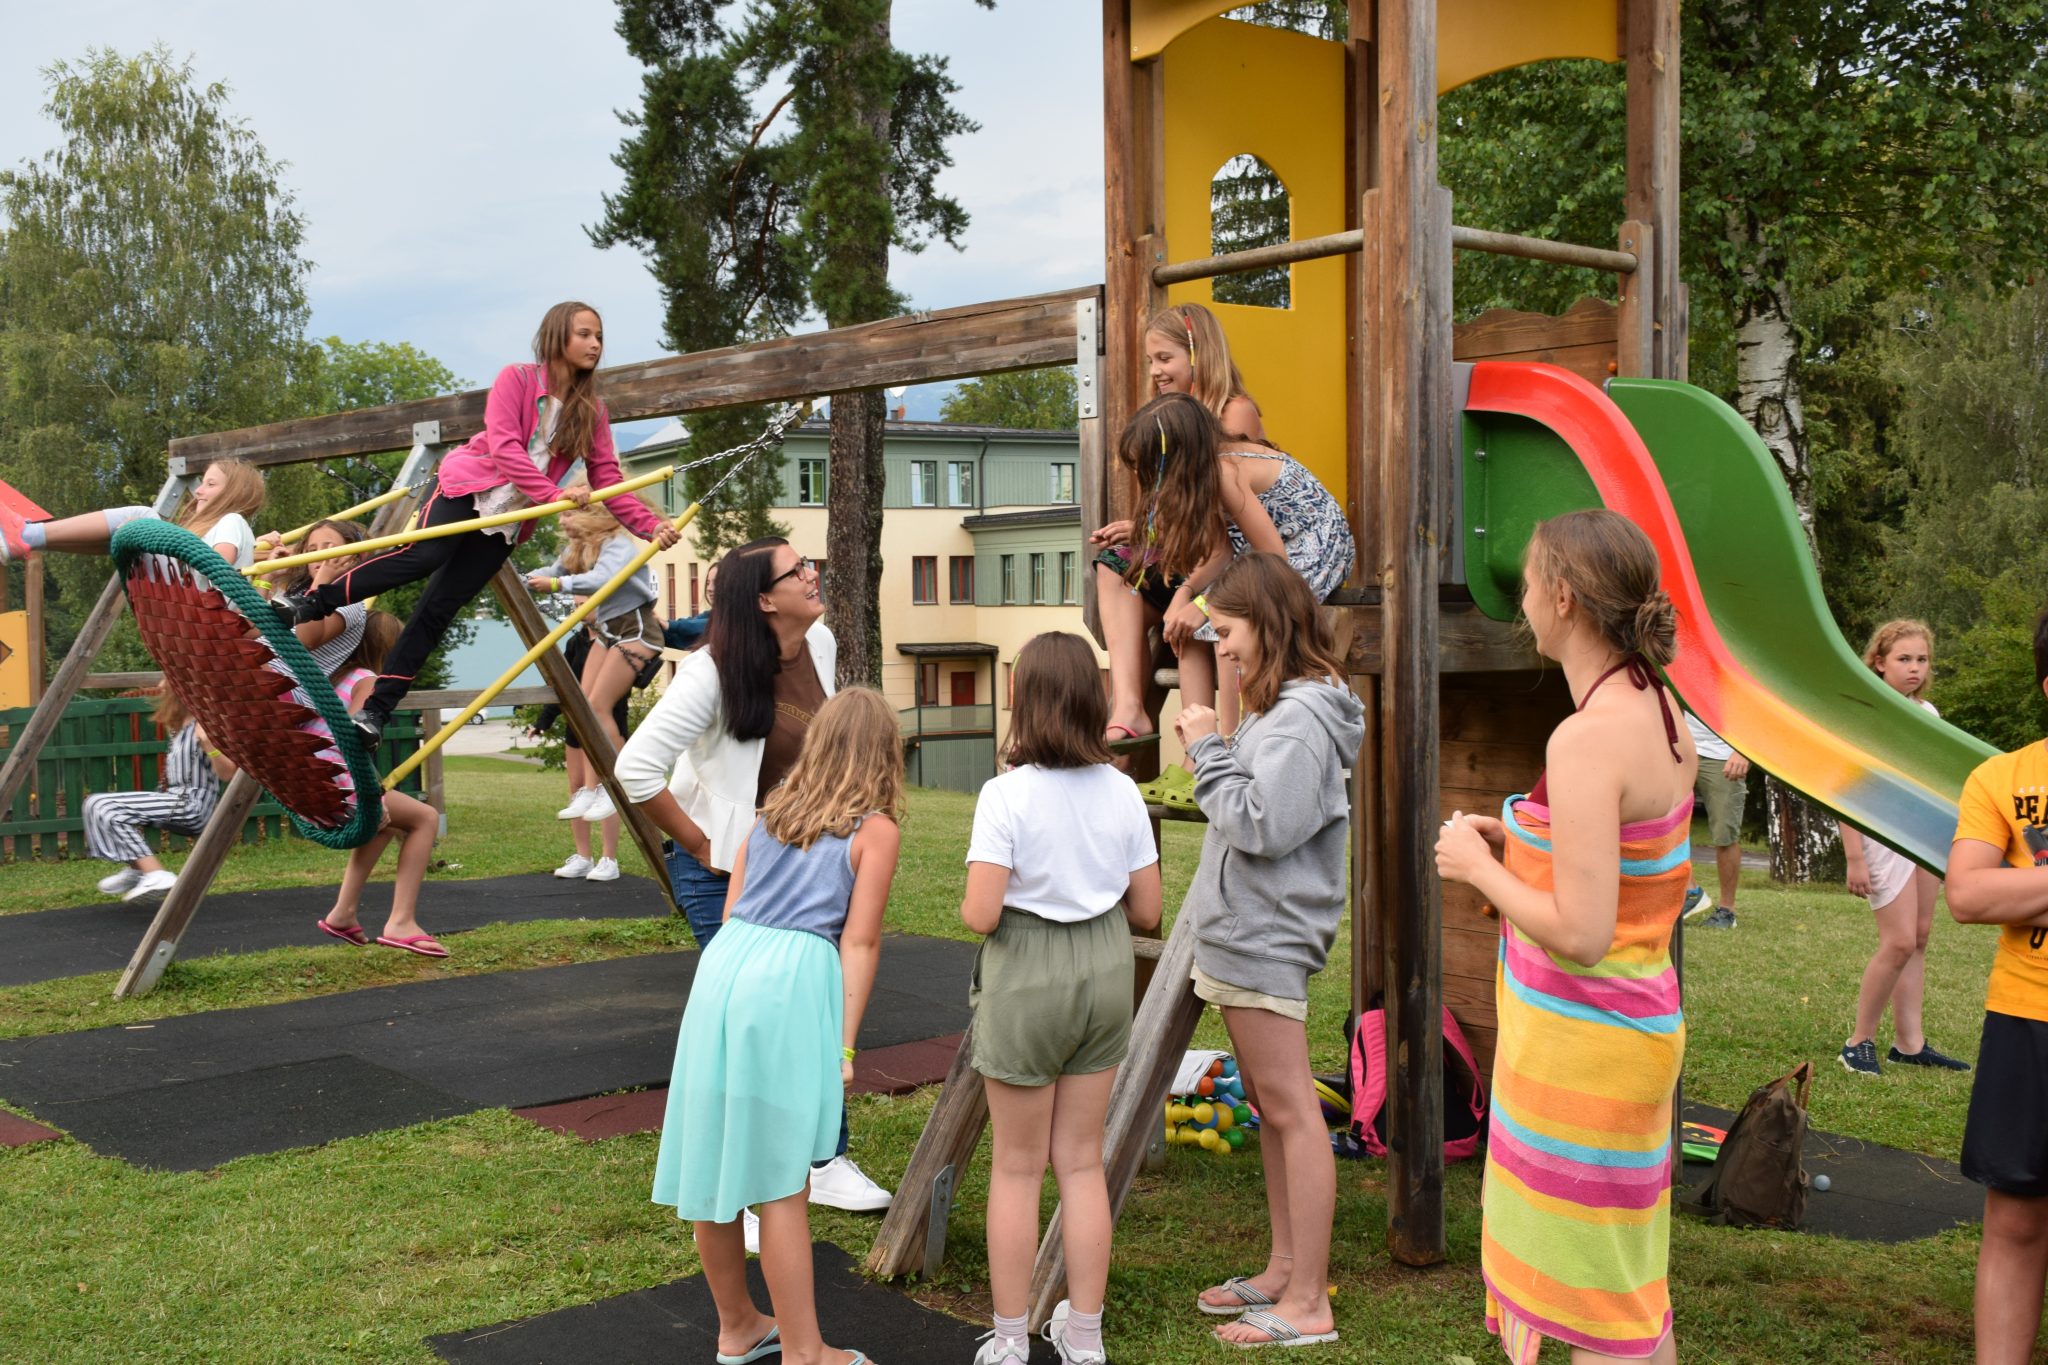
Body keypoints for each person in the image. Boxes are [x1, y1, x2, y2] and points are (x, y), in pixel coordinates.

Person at [1434, 508, 1691, 1365]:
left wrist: (1478, 866)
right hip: (1637, 1034)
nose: (1523, 599)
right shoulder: (1661, 708)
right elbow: (1634, 862)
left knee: (1591, 1307)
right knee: (1625, 1290)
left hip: (1586, 1054)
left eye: (1531, 581)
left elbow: (1582, 932)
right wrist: (1529, 843)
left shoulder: (1585, 738)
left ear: (1567, 598)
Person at [617, 536, 894, 1217]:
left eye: (809, 562)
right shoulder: (711, 671)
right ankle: (744, 1188)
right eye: (797, 569)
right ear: (765, 599)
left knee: (817, 997)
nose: (813, 572)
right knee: (749, 1022)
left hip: (808, 856)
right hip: (726, 869)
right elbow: (634, 769)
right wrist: (703, 842)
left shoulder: (819, 644)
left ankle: (823, 1157)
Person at [270, 301, 679, 742]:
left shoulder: (591, 410)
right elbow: (505, 448)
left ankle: (375, 711)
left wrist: (648, 526)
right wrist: (555, 495)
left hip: (512, 515)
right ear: (558, 335)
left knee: (438, 610)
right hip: (468, 487)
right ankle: (314, 603)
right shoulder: (518, 379)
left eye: (599, 336)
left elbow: (607, 478)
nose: (595, 344)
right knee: (424, 554)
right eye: (584, 334)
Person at [650, 688, 902, 1365]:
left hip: (725, 970)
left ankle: (737, 1324)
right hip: (789, 980)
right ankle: (805, 1350)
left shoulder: (767, 815)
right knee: (782, 1175)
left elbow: (733, 909)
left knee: (716, 1155)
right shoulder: (873, 829)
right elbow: (861, 941)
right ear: (884, 755)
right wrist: (843, 1043)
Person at [1173, 553, 1361, 1349]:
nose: (1223, 647)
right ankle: (1285, 1267)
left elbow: (1262, 823)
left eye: (1229, 630)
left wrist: (1206, 748)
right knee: (1275, 1108)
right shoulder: (1277, 707)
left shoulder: (1302, 718)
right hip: (1244, 931)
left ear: (1270, 622)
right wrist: (1221, 720)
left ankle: (1309, 1302)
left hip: (1267, 937)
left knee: (1291, 1109)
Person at [961, 632, 1163, 1365]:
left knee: (1017, 1165)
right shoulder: (1120, 789)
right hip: (1105, 971)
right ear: (1092, 698)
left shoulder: (1004, 794)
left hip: (1028, 967)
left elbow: (982, 913)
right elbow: (1148, 908)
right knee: (1081, 1162)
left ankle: (1011, 1338)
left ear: (1023, 699)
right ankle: (1085, 1335)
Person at [1090, 393, 1353, 787]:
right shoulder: (1204, 472)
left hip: (1308, 547)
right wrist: (1186, 595)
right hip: (1256, 551)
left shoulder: (1225, 472)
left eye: (1149, 467)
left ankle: (1231, 744)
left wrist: (1206, 604)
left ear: (1178, 457)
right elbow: (1219, 549)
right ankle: (1198, 756)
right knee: (1195, 621)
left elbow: (1273, 556)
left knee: (1222, 622)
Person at [1945, 605, 2048, 1365]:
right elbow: (1968, 896)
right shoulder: (2002, 777)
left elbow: (1997, 890)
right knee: (2014, 1222)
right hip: (2026, 1021)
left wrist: (2028, 884)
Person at [1837, 620, 1969, 1076]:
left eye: (1921, 659)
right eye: (1903, 659)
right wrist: (1853, 855)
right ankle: (1858, 1043)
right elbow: (1844, 787)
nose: (1914, 668)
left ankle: (1909, 1044)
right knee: (1897, 942)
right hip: (1878, 836)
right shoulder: (1864, 712)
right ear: (1879, 662)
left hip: (1921, 836)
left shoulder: (1927, 713)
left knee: (1920, 937)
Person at [526, 487, 663, 825]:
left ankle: (617, 785)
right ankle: (590, 788)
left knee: (601, 707)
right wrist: (525, 578)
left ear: (591, 513)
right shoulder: (582, 548)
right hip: (609, 632)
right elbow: (554, 570)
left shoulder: (617, 545)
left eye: (568, 513)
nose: (562, 519)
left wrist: (556, 586)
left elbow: (601, 581)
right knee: (585, 707)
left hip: (636, 631)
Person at [81, 685, 221, 903]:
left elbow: (229, 772)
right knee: (93, 805)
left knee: (103, 805)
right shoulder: (178, 727)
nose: (159, 686)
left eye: (165, 681)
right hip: (175, 800)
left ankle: (157, 874)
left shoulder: (206, 724)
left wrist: (210, 746)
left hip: (192, 805)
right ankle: (138, 869)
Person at [1, 457, 265, 569]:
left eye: (211, 484)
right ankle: (29, 541)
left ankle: (27, 534)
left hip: (187, 599)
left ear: (234, 493)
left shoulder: (232, 520)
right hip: (181, 601)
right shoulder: (229, 530)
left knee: (144, 515)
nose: (198, 491)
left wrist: (151, 536)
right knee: (123, 538)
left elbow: (216, 567)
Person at [528, 624, 629, 884]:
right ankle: (584, 857)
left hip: (609, 724)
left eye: (585, 603)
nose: (580, 610)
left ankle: (609, 859)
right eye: (576, 605)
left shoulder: (618, 641)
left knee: (606, 791)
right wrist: (543, 722)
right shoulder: (576, 642)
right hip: (577, 725)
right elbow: (562, 682)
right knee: (578, 788)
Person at [1140, 301, 1267, 442]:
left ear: (1200, 356)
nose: (1153, 371)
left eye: (1164, 359)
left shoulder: (1236, 411)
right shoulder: (1164, 413)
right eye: (1150, 361)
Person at [1679, 711, 1747, 928]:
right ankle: (1691, 892)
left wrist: (1743, 752)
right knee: (1669, 827)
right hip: (1683, 752)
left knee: (1724, 836)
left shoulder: (1737, 675)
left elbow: (1757, 709)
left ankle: (1727, 910)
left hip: (1724, 758)